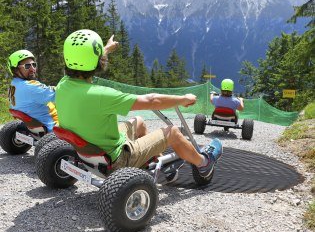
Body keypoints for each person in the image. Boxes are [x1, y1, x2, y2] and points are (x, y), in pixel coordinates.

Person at [55, 29, 222, 179]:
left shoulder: (63, 85)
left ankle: (155, 160)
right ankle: (204, 163)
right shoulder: (101, 95)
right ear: (97, 61)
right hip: (116, 160)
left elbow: (86, 60)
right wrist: (183, 99)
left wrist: (106, 48)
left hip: (87, 151)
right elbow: (151, 100)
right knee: (172, 132)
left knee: (139, 122)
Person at [7, 50, 58, 132]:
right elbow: (59, 94)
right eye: (27, 66)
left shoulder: (14, 84)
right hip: (53, 127)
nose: (32, 69)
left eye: (34, 65)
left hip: (32, 123)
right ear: (15, 70)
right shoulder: (30, 86)